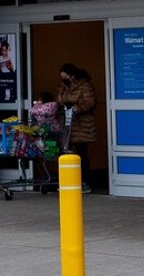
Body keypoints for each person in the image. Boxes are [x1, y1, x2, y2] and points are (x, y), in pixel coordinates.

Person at [58, 63, 97, 193]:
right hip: (69, 125)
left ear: (71, 75)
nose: (63, 78)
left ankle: (85, 182)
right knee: (68, 153)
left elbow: (90, 102)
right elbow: (60, 101)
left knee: (82, 154)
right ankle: (70, 182)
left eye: (65, 75)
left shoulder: (84, 85)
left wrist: (77, 108)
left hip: (82, 126)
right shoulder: (64, 87)